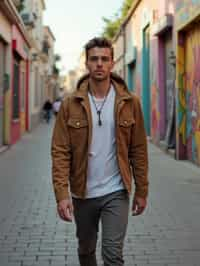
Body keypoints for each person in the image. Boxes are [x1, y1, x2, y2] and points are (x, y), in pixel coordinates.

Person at [51, 37, 149, 266]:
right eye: (94, 59)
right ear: (87, 64)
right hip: (82, 193)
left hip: (116, 190)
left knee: (113, 255)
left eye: (104, 59)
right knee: (86, 250)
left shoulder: (130, 102)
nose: (99, 64)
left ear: (112, 63)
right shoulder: (70, 104)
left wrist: (142, 190)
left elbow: (139, 150)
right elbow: (60, 151)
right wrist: (62, 194)